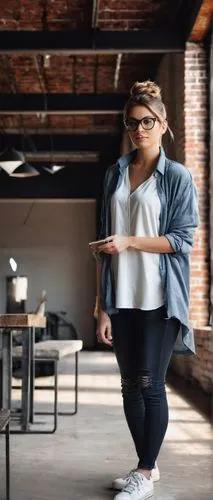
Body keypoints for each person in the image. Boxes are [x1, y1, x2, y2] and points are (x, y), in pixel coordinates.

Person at [90, 80, 198, 500]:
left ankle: (145, 468)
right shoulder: (115, 173)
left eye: (148, 121)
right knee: (129, 384)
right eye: (132, 123)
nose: (140, 130)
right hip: (122, 295)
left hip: (159, 295)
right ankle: (145, 469)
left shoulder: (177, 177)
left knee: (151, 382)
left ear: (164, 123)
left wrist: (131, 241)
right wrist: (101, 306)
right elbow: (103, 245)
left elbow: (183, 240)